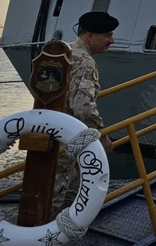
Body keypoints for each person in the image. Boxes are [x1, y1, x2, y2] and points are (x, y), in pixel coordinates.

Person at [51, 11, 118, 215]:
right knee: (60, 197)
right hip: (68, 139)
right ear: (89, 35)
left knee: (49, 192)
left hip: (48, 132)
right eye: (107, 35)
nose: (112, 41)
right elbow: (84, 108)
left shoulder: (64, 54)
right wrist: (102, 137)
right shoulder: (85, 63)